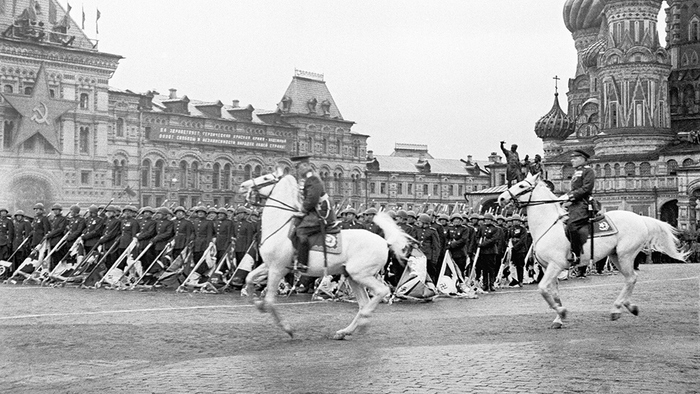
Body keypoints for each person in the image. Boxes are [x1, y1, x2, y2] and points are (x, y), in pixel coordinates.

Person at [289, 155, 336, 272]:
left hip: (321, 213)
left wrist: (302, 210)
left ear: (305, 166)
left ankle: (303, 263)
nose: (297, 170)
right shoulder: (308, 179)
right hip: (314, 211)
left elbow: (312, 199)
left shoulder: (313, 179)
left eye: (298, 167)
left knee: (301, 230)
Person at [558, 149, 596, 265]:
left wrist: (571, 196)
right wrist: (564, 197)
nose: (572, 160)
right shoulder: (576, 172)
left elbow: (586, 188)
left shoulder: (588, 171)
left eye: (575, 158)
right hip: (574, 203)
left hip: (583, 203)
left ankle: (576, 253)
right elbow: (574, 189)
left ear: (583, 159)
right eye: (571, 158)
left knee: (572, 225)